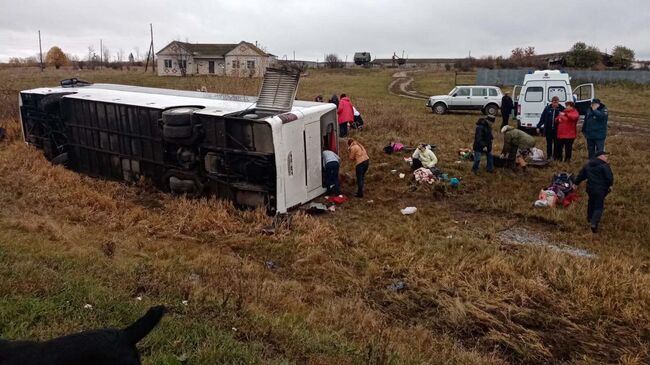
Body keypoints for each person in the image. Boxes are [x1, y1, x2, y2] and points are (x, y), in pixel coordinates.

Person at [573, 151, 614, 233]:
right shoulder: (604, 166)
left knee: (591, 202)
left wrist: (576, 183)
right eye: (605, 156)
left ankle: (589, 218)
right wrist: (610, 185)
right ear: (600, 157)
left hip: (590, 189)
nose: (607, 158)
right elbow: (609, 178)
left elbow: (581, 175)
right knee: (599, 206)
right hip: (600, 189)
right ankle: (594, 223)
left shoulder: (588, 165)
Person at [536, 96, 565, 160]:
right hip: (548, 130)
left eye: (556, 102)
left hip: (557, 130)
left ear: (558, 102)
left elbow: (565, 118)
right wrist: (538, 126)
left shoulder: (561, 109)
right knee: (549, 144)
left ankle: (555, 157)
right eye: (554, 102)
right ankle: (549, 156)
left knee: (556, 144)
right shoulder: (547, 108)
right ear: (551, 102)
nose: (555, 104)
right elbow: (542, 118)